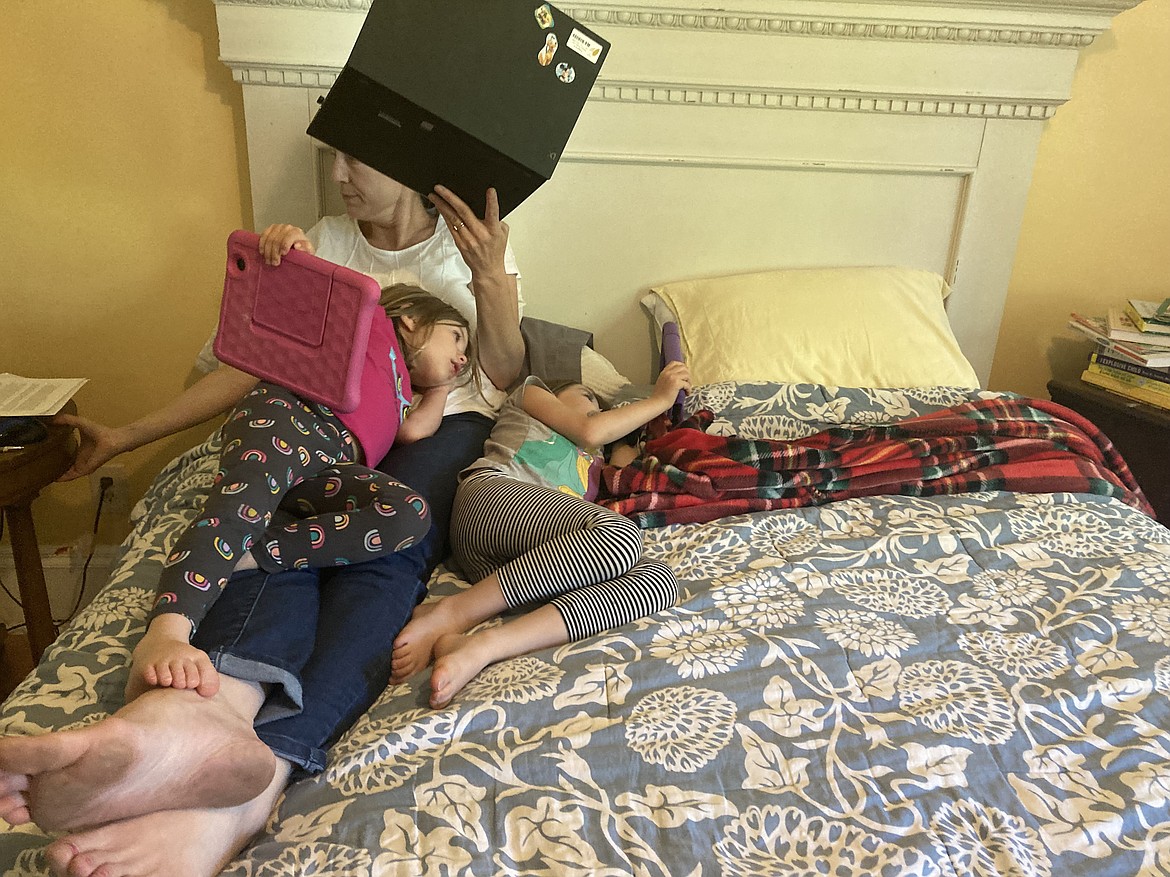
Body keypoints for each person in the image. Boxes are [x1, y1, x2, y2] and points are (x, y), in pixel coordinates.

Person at [0, 157, 524, 877]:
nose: (337, 171)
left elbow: (504, 371)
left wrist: (491, 277)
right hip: (310, 428)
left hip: (437, 431)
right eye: (331, 152)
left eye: (353, 153)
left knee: (385, 562)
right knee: (269, 535)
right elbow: (248, 367)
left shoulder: (467, 250)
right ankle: (201, 714)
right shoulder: (321, 242)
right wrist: (125, 435)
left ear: (406, 157)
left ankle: (248, 788)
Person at [130, 282, 472, 702]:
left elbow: (416, 430)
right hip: (286, 420)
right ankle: (168, 629)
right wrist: (294, 250)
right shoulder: (371, 326)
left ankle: (247, 554)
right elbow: (310, 301)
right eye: (456, 336)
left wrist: (438, 388)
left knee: (409, 513)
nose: (462, 356)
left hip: (332, 461)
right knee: (241, 506)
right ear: (411, 319)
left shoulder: (404, 390)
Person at [390, 362, 692, 708]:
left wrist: (643, 432)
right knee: (621, 535)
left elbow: (623, 462)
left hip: (523, 571)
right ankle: (455, 612)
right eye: (587, 398)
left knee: (658, 580)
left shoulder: (596, 459)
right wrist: (658, 398)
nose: (596, 409)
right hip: (492, 501)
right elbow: (591, 430)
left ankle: (485, 646)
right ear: (557, 392)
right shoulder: (530, 393)